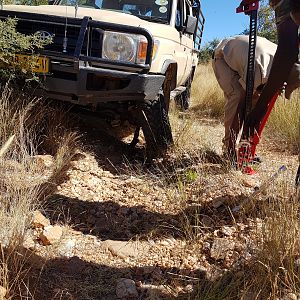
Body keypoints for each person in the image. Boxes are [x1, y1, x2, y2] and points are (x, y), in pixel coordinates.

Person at [212, 35, 299, 161]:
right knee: (237, 98)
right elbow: (242, 106)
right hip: (223, 57)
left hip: (247, 57)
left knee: (257, 100)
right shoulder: (259, 69)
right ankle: (229, 151)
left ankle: (246, 150)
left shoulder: (284, 61)